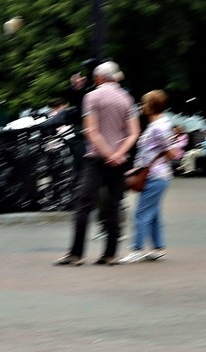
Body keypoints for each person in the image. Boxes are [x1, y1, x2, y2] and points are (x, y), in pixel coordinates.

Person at [54, 61, 139, 266]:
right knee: (113, 205)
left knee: (83, 204)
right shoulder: (127, 99)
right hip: (119, 161)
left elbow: (91, 131)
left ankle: (77, 253)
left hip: (96, 159)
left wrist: (107, 153)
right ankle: (110, 254)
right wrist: (118, 154)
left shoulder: (91, 97)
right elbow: (134, 133)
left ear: (99, 78)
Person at [121, 90, 179, 263]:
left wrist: (152, 161)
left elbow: (171, 153)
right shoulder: (160, 124)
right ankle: (158, 248)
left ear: (152, 106)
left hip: (155, 175)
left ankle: (137, 249)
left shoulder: (159, 127)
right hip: (158, 175)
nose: (142, 106)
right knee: (153, 214)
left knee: (141, 213)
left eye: (144, 103)